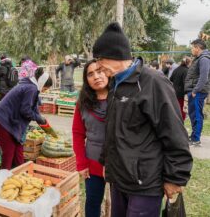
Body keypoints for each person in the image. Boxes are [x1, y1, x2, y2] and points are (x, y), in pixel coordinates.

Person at [92, 22, 193, 217]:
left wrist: (175, 178)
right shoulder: (115, 83)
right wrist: (107, 164)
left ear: (115, 55)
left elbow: (174, 132)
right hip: (119, 179)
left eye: (100, 59)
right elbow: (113, 129)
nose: (98, 65)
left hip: (144, 183)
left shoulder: (153, 82)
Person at [0, 67, 52, 169]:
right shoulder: (31, 88)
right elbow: (25, 110)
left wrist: (39, 117)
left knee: (18, 148)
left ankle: (20, 172)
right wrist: (38, 118)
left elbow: (32, 106)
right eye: (45, 89)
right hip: (1, 120)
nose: (44, 91)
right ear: (41, 83)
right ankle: (3, 176)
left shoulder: (30, 86)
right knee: (9, 151)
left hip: (9, 121)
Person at [72, 59, 109, 217]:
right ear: (86, 79)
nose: (96, 76)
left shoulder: (121, 98)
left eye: (100, 71)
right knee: (93, 202)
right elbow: (77, 133)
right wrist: (81, 163)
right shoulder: (83, 103)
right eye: (90, 74)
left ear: (108, 73)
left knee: (120, 205)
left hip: (120, 163)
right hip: (92, 162)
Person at [184, 39, 210, 146]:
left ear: (197, 48)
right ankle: (194, 135)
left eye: (192, 47)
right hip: (194, 90)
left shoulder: (204, 59)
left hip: (198, 91)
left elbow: (204, 77)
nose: (191, 49)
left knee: (197, 114)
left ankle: (196, 138)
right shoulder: (198, 58)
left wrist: (195, 91)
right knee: (193, 114)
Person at [170, 56, 192, 121]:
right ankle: (181, 122)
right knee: (182, 109)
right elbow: (186, 83)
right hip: (182, 93)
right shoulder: (186, 70)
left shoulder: (176, 69)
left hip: (174, 92)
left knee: (176, 108)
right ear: (188, 63)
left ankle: (175, 121)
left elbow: (171, 79)